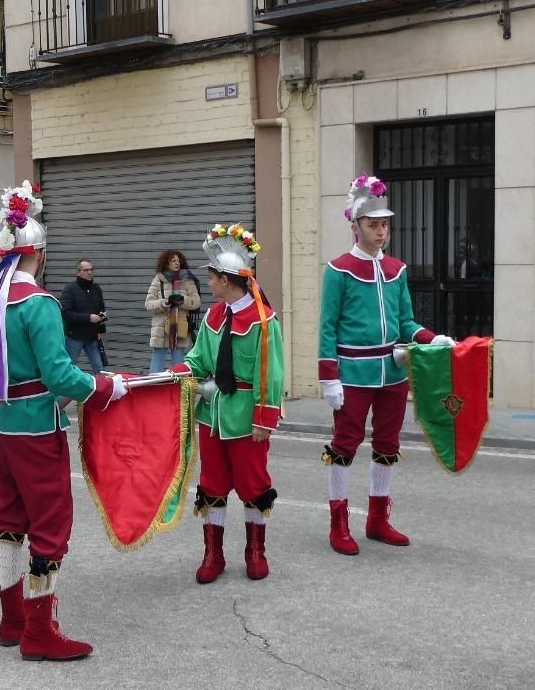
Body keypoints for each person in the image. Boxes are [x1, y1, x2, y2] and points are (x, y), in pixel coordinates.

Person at [0, 183, 124, 659]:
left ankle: (12, 619)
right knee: (50, 522)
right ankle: (38, 632)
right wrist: (103, 387)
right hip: (35, 426)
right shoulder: (39, 304)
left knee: (9, 516)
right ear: (41, 253)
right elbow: (60, 374)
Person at [318, 176, 454, 552]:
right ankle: (339, 523)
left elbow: (405, 322)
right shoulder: (338, 269)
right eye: (373, 224)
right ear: (355, 227)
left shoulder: (397, 269)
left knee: (387, 443)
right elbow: (327, 327)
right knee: (345, 445)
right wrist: (329, 378)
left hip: (393, 372)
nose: (381, 231)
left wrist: (431, 338)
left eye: (384, 224)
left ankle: (378, 518)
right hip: (354, 375)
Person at [176, 224, 285, 584]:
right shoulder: (213, 316)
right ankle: (213, 553)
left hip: (245, 415)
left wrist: (264, 418)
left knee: (253, 484)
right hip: (213, 414)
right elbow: (199, 360)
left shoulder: (264, 321)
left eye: (211, 278)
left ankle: (256, 550)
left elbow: (272, 374)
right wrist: (175, 374)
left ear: (225, 280)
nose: (208, 284)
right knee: (212, 482)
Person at [144, 250, 202, 373]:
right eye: (173, 261)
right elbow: (148, 304)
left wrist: (182, 300)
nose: (177, 263)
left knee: (178, 366)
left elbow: (196, 302)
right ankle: (153, 389)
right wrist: (163, 303)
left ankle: (177, 390)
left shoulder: (187, 280)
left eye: (178, 261)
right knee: (156, 365)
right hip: (161, 328)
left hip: (179, 328)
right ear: (166, 263)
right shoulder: (158, 280)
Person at [58, 259, 107, 372]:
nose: (89, 272)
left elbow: (101, 308)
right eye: (86, 270)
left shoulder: (96, 288)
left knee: (100, 369)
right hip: (75, 337)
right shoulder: (70, 289)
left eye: (91, 270)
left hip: (92, 337)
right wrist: (89, 318)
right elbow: (66, 313)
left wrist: (102, 321)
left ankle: (103, 388)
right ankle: (65, 389)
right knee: (68, 368)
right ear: (78, 272)